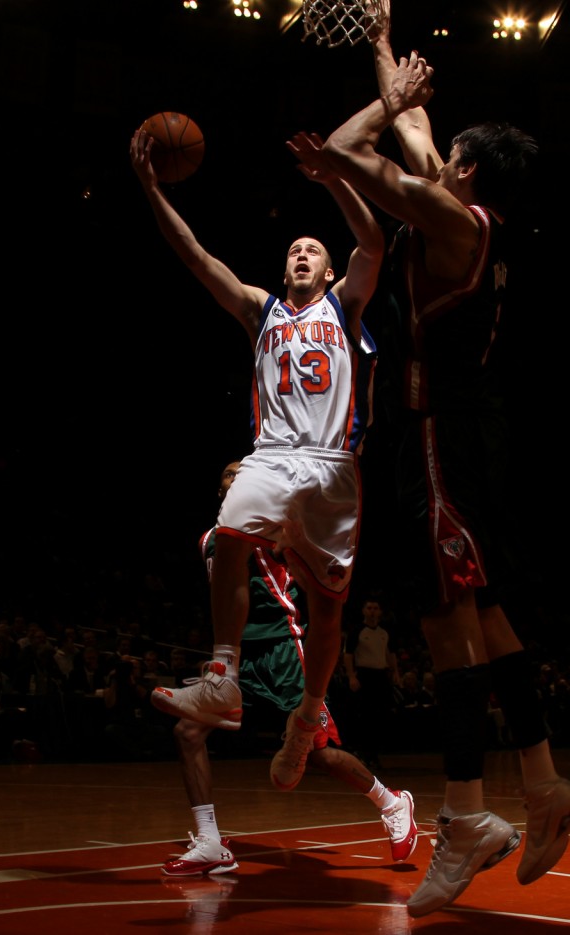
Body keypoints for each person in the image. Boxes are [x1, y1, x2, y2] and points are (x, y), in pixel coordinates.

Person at [315, 5, 570, 915]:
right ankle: (541, 784)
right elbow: (421, 136)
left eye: (445, 147)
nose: (434, 145)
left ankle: (467, 817)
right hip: (470, 431)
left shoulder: (446, 217)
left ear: (463, 172)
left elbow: (350, 145)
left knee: (446, 625)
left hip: (435, 436)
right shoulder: (472, 213)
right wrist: (385, 44)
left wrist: (384, 101)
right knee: (489, 614)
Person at [130, 116, 383, 794]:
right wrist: (152, 188)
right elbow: (195, 257)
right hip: (272, 454)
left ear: (328, 270)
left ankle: (306, 718)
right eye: (294, 250)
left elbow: (372, 241)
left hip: (332, 468)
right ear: (284, 266)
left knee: (328, 614)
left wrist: (336, 178)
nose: (302, 255)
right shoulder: (259, 310)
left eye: (313, 251)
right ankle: (222, 676)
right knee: (229, 532)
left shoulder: (346, 307)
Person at [162, 462, 417, 876]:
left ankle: (391, 801)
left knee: (316, 751)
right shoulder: (209, 539)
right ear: (220, 488)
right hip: (238, 656)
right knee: (187, 731)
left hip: (282, 647)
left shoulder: (270, 524)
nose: (234, 476)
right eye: (228, 473)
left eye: (240, 472)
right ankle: (210, 840)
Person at [343, 593, 401, 769]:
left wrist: (395, 672)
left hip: (381, 676)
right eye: (369, 608)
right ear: (363, 610)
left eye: (375, 608)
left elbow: (390, 653)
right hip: (364, 676)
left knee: (380, 716)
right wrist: (352, 676)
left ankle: (374, 754)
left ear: (380, 611)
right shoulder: (357, 631)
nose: (372, 611)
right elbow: (348, 654)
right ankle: (364, 753)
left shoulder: (385, 633)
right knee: (365, 716)